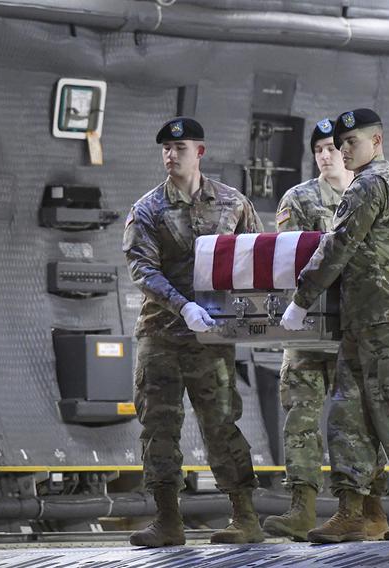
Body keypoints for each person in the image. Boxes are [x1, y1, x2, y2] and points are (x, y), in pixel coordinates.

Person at [280, 108, 389, 542]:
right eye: (340, 143)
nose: (343, 150)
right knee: (347, 416)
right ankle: (354, 511)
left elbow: (336, 247)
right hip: (368, 322)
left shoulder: (370, 184)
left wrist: (300, 301)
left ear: (377, 141)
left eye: (352, 142)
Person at [123, 117, 265, 547]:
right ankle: (168, 519)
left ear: (199, 152)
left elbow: (255, 255)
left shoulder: (232, 202)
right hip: (161, 335)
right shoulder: (147, 208)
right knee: (158, 426)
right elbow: (142, 268)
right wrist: (182, 305)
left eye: (180, 147)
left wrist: (251, 315)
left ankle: (245, 517)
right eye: (166, 148)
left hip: (212, 338)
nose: (171, 155)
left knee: (221, 422)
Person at [262, 119, 388, 541]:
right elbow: (289, 256)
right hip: (308, 327)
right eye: (318, 148)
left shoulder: (370, 190)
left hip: (353, 325)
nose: (326, 154)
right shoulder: (298, 197)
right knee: (300, 416)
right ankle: (302, 505)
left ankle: (369, 505)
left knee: (358, 418)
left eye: (333, 147)